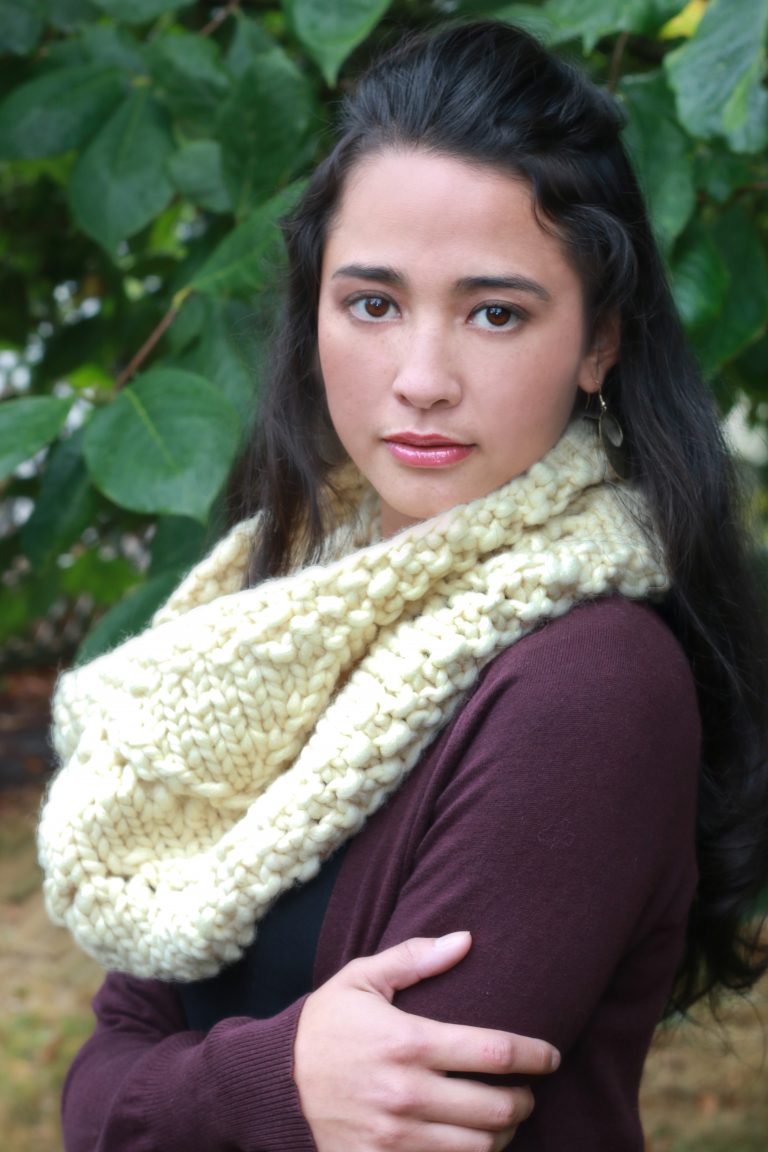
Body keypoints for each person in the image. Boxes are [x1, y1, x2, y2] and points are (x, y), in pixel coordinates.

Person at [37, 20, 768, 1152]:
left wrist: (194, 1088)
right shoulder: (286, 601)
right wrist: (278, 1081)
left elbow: (383, 1122)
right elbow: (96, 1075)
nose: (422, 380)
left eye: (495, 312)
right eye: (373, 304)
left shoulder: (590, 683)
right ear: (315, 313)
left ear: (599, 343)